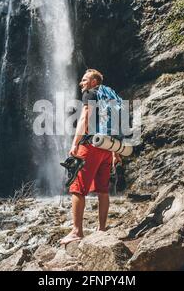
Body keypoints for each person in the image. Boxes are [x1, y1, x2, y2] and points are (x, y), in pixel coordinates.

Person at [60, 69, 122, 245]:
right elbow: (115, 123)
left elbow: (84, 119)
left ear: (95, 81)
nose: (81, 83)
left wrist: (75, 143)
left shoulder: (91, 93)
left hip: (91, 145)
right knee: (103, 190)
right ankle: (102, 228)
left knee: (77, 188)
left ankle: (76, 231)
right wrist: (115, 151)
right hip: (106, 147)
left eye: (85, 79)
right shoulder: (109, 95)